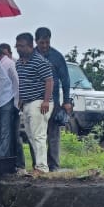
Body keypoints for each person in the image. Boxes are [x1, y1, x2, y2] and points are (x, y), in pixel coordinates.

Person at [15, 32, 54, 172]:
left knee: (39, 135)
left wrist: (46, 101)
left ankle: (42, 167)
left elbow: (49, 81)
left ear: (30, 46)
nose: (18, 49)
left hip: (39, 101)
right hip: (26, 102)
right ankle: (38, 164)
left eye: (21, 46)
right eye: (17, 46)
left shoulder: (39, 61)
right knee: (31, 135)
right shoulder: (19, 63)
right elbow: (21, 83)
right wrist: (21, 99)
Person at [34, 27, 72, 171]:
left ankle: (54, 165)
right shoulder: (31, 56)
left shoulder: (57, 56)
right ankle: (39, 164)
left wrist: (66, 101)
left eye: (47, 42)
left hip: (53, 101)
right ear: (36, 41)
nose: (44, 46)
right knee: (38, 135)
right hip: (35, 101)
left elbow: (65, 79)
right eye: (41, 43)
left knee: (53, 134)